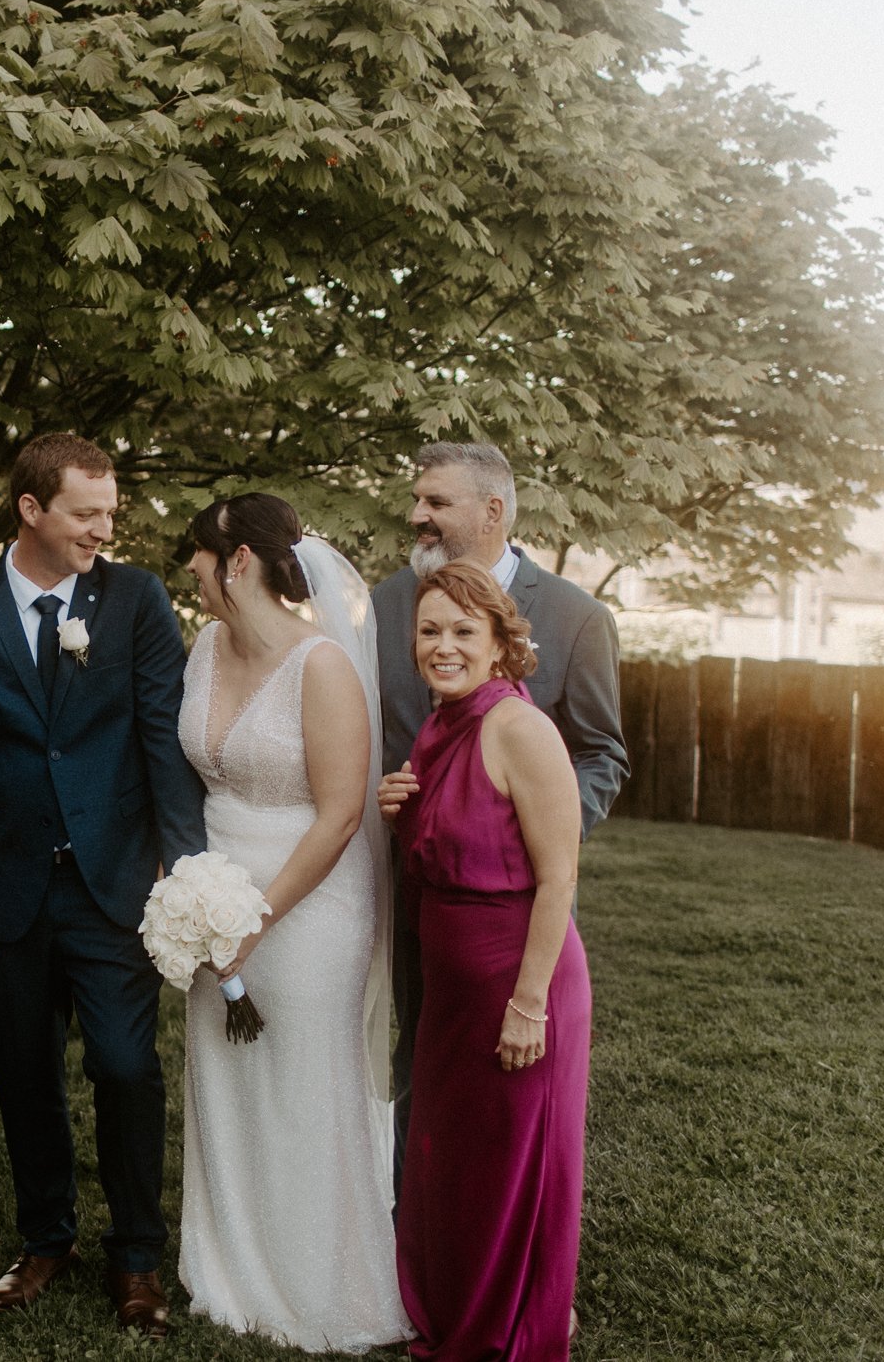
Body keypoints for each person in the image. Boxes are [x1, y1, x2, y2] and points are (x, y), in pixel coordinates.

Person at [0, 432, 206, 1338]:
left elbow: (161, 736)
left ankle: (136, 1258)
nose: (104, 529)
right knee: (21, 1069)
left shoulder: (135, 600)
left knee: (126, 1065)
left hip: (113, 881)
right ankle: (46, 1239)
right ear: (31, 510)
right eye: (88, 513)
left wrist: (185, 872)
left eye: (110, 512)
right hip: (3, 890)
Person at [172, 494, 414, 1353]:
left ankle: (322, 1281)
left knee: (304, 1082)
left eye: (197, 555)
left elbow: (343, 814)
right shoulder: (202, 645)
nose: (190, 570)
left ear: (238, 562)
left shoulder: (323, 667)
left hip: (308, 901)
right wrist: (197, 901)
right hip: (212, 895)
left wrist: (259, 916)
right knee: (227, 1078)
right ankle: (230, 1265)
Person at [371, 440, 626, 1190]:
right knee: (418, 1059)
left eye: (436, 502)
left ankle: (501, 1237)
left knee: (510, 1091)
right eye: (417, 499)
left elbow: (602, 752)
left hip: (513, 908)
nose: (417, 515)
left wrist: (530, 833)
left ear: (492, 511)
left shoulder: (577, 618)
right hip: (415, 887)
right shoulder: (387, 605)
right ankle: (411, 1232)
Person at [385, 560, 591, 1361]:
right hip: (453, 991)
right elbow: (448, 847)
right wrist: (397, 808)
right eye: (430, 631)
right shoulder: (440, 725)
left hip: (520, 980)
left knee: (509, 1170)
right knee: (456, 1165)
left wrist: (529, 1001)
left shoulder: (519, 728)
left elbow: (558, 874)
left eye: (464, 632)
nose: (443, 646)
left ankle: (507, 1331)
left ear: (503, 643)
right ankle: (454, 1309)